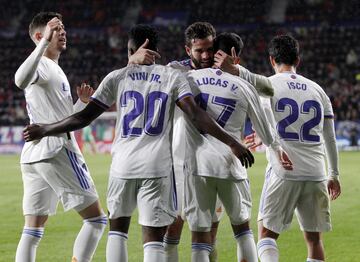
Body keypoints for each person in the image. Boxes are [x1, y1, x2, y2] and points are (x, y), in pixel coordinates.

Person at [23, 24, 254, 262]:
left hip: (122, 166)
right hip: (157, 167)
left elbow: (83, 117)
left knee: (117, 231)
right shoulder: (172, 76)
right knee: (154, 238)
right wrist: (232, 142)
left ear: (132, 50)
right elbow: (196, 114)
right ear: (155, 49)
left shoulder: (117, 76)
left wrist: (45, 129)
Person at [129, 22, 274, 262]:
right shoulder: (175, 70)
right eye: (199, 51)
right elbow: (143, 85)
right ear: (188, 50)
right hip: (178, 163)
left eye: (210, 48)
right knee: (173, 229)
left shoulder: (230, 71)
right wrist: (133, 61)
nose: (206, 55)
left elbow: (269, 88)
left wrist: (238, 71)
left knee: (208, 231)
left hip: (205, 163)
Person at [182, 33, 292, 262]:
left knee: (200, 237)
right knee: (242, 230)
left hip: (195, 166)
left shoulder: (189, 78)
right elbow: (264, 128)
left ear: (214, 52)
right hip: (231, 164)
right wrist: (277, 149)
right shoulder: (244, 85)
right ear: (235, 56)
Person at [14, 12, 106, 262]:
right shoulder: (42, 65)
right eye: (56, 28)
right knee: (97, 220)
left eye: (63, 27)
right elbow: (19, 80)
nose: (63, 32)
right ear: (39, 36)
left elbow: (63, 118)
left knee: (33, 229)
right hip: (57, 151)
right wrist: (43, 43)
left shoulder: (53, 68)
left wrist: (80, 104)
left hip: (35, 155)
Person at [252, 35, 341, 262]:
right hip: (316, 173)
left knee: (266, 236)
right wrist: (334, 174)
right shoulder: (318, 90)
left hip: (285, 170)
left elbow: (265, 120)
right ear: (298, 60)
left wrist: (264, 139)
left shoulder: (268, 84)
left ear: (272, 60)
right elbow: (330, 137)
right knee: (314, 241)